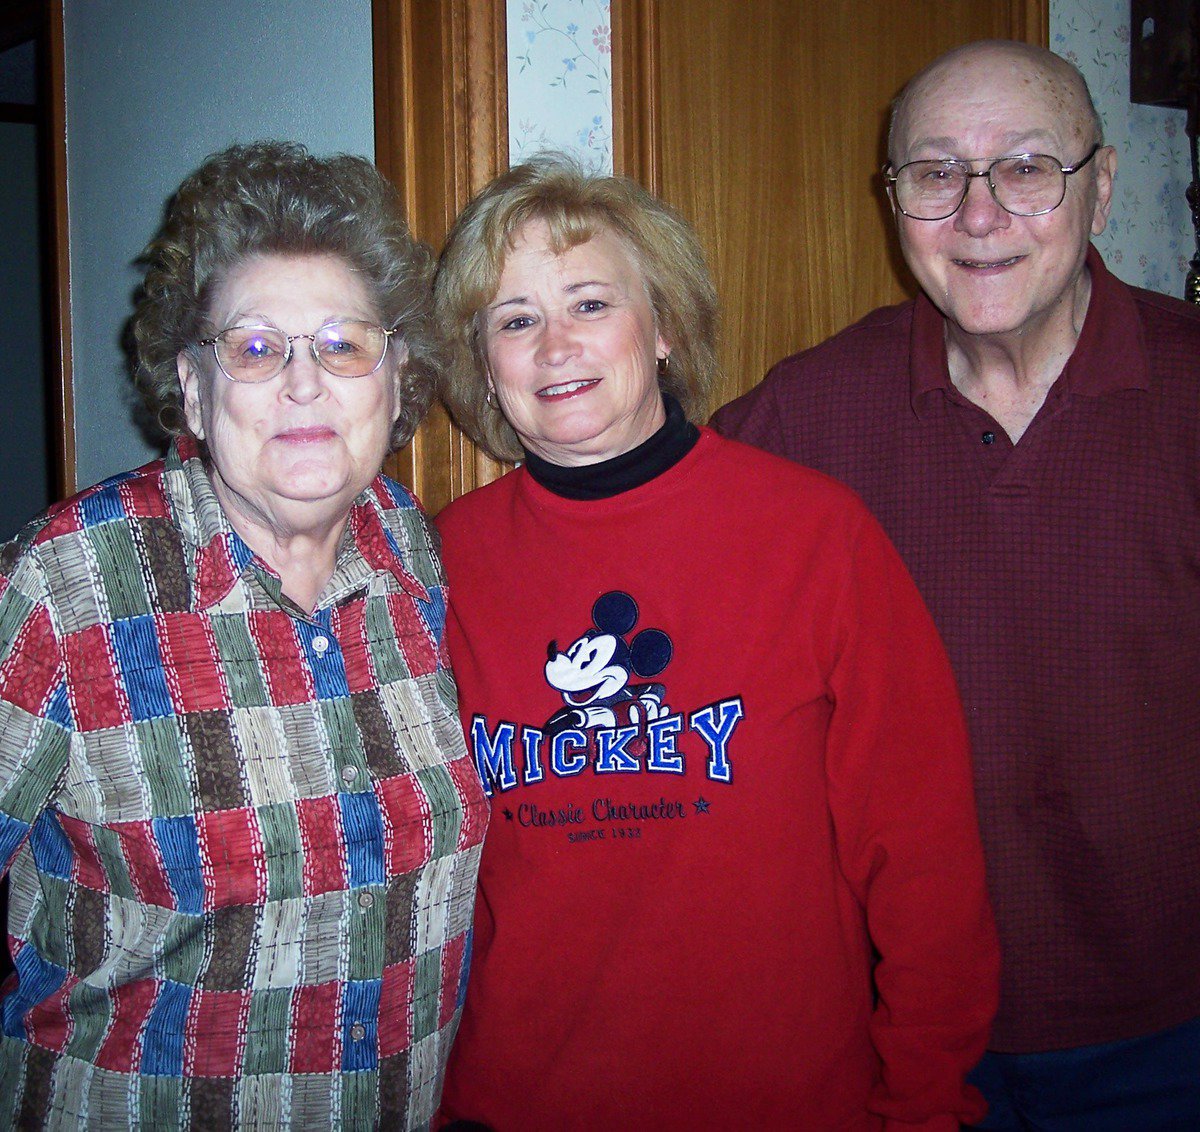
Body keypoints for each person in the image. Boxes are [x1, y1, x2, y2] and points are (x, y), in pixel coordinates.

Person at [431, 153, 998, 1130]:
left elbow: (925, 858)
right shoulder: (437, 566)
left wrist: (924, 1101)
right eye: (515, 320)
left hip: (789, 1101)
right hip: (521, 1101)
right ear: (486, 365)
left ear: (661, 328)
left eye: (590, 303)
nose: (555, 344)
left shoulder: (816, 534)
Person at [713, 39, 1200, 1131]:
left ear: (1102, 186)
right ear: (892, 202)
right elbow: (663, 555)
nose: (977, 215)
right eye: (934, 174)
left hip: (1175, 1024)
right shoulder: (810, 410)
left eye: (1026, 167)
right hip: (905, 1028)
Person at [0, 141, 488, 1129]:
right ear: (191, 385)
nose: (303, 383)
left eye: (344, 344)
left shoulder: (418, 559)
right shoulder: (64, 587)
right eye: (255, 348)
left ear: (397, 378)